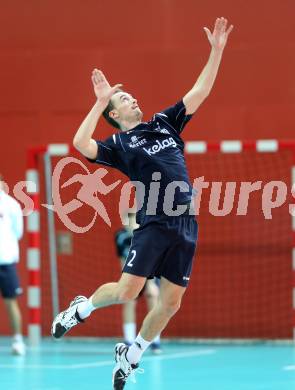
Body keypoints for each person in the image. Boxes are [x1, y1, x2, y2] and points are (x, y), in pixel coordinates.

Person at [51, 17, 233, 389]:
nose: (131, 97)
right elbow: (80, 144)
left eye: (128, 94)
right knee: (126, 292)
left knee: (170, 304)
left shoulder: (164, 123)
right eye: (122, 98)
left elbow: (199, 91)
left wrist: (216, 52)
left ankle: (131, 355)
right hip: (153, 223)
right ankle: (80, 309)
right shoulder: (119, 146)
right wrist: (99, 102)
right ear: (115, 115)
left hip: (186, 223)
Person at [115, 212, 161, 353]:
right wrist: (126, 280)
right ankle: (129, 341)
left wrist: (150, 283)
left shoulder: (149, 234)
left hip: (151, 272)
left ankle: (154, 341)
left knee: (152, 296)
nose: (130, 221)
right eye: (127, 217)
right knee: (128, 298)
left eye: (133, 217)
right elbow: (122, 260)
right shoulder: (120, 237)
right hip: (131, 273)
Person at [0, 174, 26, 356]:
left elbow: (18, 232)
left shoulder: (11, 205)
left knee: (11, 302)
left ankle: (17, 340)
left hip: (5, 260)